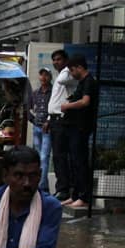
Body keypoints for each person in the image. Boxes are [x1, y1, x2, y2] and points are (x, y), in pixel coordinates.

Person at [59, 54, 99, 209]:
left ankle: (83, 196)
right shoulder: (82, 82)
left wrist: (67, 106)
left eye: (72, 70)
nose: (71, 73)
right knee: (73, 161)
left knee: (80, 161)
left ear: (80, 68)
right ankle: (75, 194)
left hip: (81, 127)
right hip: (73, 126)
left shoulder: (89, 81)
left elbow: (85, 101)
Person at [46, 49, 77, 202]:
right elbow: (55, 99)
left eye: (58, 59)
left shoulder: (67, 74)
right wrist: (47, 118)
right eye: (54, 60)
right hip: (54, 119)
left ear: (66, 61)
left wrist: (67, 66)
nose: (55, 62)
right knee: (57, 156)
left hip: (62, 120)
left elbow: (62, 81)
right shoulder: (61, 75)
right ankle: (61, 188)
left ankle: (64, 189)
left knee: (60, 155)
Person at [28, 68, 53, 193]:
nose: (43, 77)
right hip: (37, 127)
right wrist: (33, 120)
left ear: (50, 77)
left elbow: (55, 109)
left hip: (48, 128)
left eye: (46, 75)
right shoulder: (35, 93)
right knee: (38, 157)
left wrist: (48, 121)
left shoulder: (53, 92)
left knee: (44, 157)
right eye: (41, 74)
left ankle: (41, 186)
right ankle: (44, 185)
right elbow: (30, 108)